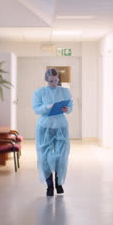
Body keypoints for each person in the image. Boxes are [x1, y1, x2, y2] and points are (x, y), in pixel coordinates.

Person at [32, 68, 73, 196]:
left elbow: (70, 108)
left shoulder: (65, 91)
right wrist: (47, 107)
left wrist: (67, 109)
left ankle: (59, 183)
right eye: (51, 81)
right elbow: (36, 109)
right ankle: (49, 186)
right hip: (45, 127)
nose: (54, 84)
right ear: (46, 80)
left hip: (61, 126)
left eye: (56, 80)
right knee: (44, 158)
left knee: (62, 156)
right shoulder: (40, 92)